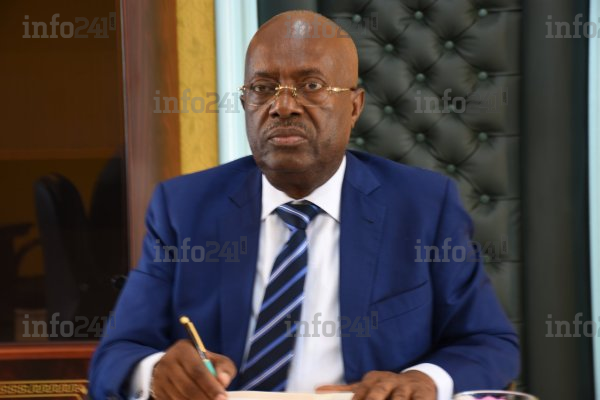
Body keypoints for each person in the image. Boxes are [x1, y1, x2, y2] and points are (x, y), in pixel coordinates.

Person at [88, 10, 519, 400]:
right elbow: (116, 356)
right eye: (263, 88)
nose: (283, 106)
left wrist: (424, 380)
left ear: (354, 106)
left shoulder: (423, 207)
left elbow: (489, 343)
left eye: (311, 86)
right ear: (245, 103)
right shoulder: (184, 208)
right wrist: (155, 372)